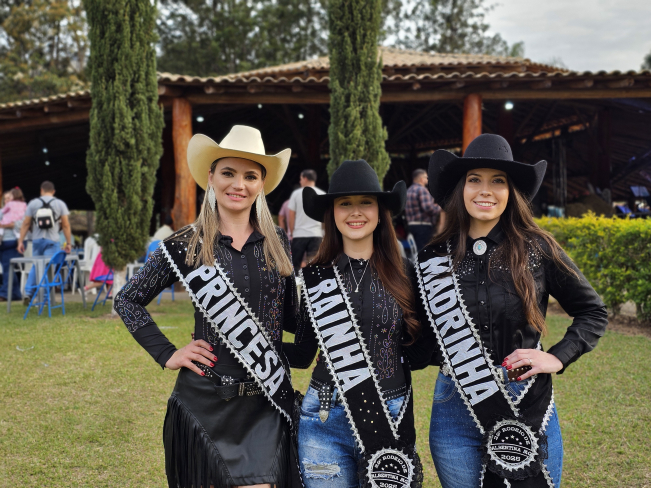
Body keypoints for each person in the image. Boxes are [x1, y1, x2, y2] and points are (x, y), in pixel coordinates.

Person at [411, 134, 608, 488]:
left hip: (526, 399)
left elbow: (592, 311)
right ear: (461, 188)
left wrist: (558, 357)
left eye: (498, 181)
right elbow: (424, 343)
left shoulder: (538, 248)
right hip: (454, 405)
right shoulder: (432, 258)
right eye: (474, 179)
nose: (485, 191)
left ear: (511, 190)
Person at [115, 125, 301, 488]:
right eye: (228, 173)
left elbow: (291, 317)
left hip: (265, 400)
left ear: (261, 184)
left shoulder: (278, 241)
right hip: (205, 400)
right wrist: (168, 353)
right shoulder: (186, 243)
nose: (239, 184)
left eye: (250, 176)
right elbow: (127, 299)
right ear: (211, 177)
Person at [284, 160, 425, 488]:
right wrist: (239, 346)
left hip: (389, 414)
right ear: (332, 213)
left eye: (366, 202)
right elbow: (303, 353)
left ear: (380, 212)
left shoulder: (407, 273)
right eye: (345, 203)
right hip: (323, 417)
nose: (355, 212)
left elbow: (420, 354)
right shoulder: (315, 275)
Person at [17, 181, 72, 305]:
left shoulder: (33, 203)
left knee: (36, 266)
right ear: (53, 191)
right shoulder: (60, 204)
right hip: (52, 240)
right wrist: (68, 243)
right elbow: (65, 225)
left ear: (41, 190)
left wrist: (20, 241)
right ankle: (45, 298)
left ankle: (28, 293)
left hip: (37, 240)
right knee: (49, 269)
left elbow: (26, 223)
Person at [288, 169, 325, 271]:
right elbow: (325, 216)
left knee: (294, 266)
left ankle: (295, 281)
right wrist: (323, 232)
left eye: (300, 179)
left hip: (299, 234)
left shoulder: (296, 194)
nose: (300, 181)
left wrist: (292, 232)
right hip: (316, 234)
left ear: (305, 178)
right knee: (314, 266)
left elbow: (291, 215)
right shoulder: (322, 194)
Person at [0, 188, 27, 302]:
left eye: (9, 198)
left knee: (8, 267)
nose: (6, 201)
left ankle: (4, 294)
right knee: (8, 267)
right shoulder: (3, 211)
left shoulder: (21, 210)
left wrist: (5, 225)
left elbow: (20, 224)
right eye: (5, 199)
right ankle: (15, 294)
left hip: (14, 242)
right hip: (3, 242)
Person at [405, 168, 441, 252]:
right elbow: (428, 208)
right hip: (423, 226)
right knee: (424, 252)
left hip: (411, 225)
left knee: (416, 251)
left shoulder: (408, 191)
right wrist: (439, 208)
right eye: (426, 177)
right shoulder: (422, 190)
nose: (427, 179)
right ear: (421, 179)